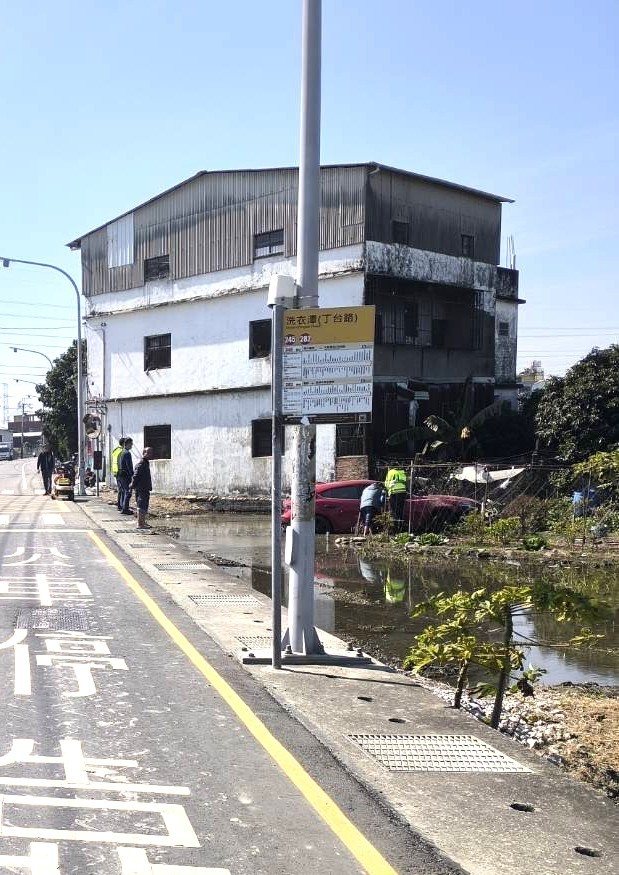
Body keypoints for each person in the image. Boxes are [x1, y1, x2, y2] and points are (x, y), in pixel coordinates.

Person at [130, 446, 154, 529]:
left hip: (145, 487)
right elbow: (135, 476)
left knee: (144, 505)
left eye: (151, 452)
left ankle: (143, 522)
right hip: (141, 488)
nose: (150, 454)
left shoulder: (145, 463)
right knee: (141, 505)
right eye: (148, 452)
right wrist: (132, 485)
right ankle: (140, 524)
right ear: (144, 453)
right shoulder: (141, 463)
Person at [384, 465, 407, 532]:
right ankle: (401, 528)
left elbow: (386, 484)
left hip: (394, 493)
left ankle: (395, 529)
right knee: (400, 511)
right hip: (402, 492)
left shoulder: (390, 472)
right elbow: (405, 482)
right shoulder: (402, 472)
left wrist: (388, 489)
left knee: (394, 512)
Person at [117, 437, 134, 515]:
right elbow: (129, 466)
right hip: (125, 475)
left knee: (124, 491)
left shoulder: (121, 453)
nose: (132, 445)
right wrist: (132, 475)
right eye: (131, 444)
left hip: (120, 474)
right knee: (128, 492)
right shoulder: (127, 453)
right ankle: (125, 509)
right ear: (127, 444)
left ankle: (122, 506)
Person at [111, 438, 125, 509]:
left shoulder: (115, 450)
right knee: (123, 490)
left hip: (116, 472)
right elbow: (121, 462)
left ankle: (119, 504)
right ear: (124, 443)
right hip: (120, 472)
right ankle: (121, 505)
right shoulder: (122, 451)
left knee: (120, 489)